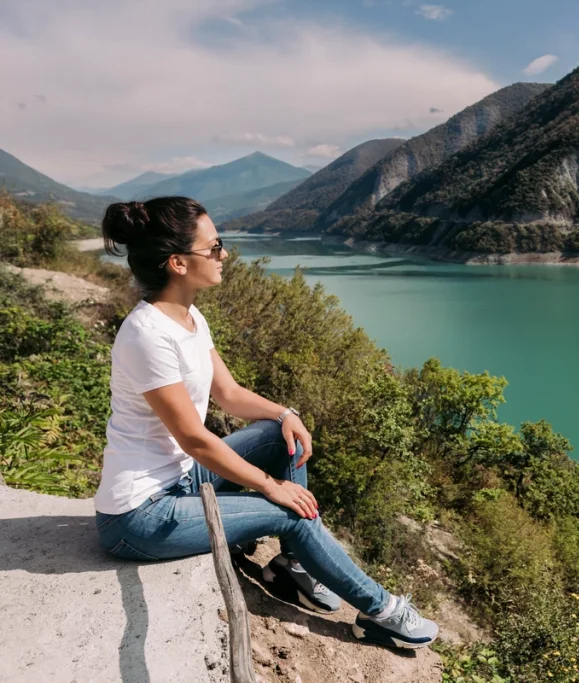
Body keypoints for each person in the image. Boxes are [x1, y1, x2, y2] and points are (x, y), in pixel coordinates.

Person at [93, 196, 437, 649]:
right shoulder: (146, 335)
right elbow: (195, 439)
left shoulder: (189, 316)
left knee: (281, 437)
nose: (224, 256)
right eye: (214, 248)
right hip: (140, 515)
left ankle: (293, 569)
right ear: (177, 262)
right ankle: (380, 611)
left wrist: (285, 413)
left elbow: (229, 394)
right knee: (290, 512)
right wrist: (270, 487)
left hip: (180, 480)